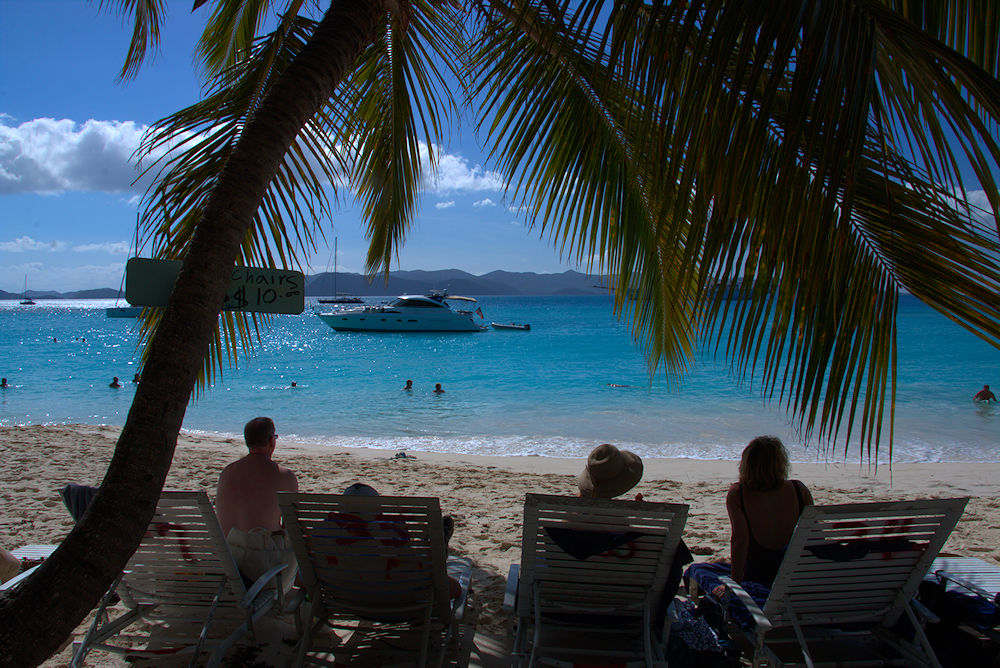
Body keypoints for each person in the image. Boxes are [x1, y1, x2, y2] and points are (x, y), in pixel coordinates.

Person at [685, 436, 813, 604]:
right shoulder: (799, 490)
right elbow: (814, 536)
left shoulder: (738, 494)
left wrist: (734, 584)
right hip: (793, 577)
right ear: (781, 463)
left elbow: (740, 540)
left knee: (697, 571)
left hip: (755, 577)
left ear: (746, 464)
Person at [215, 417, 299, 592]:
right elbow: (292, 523)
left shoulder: (227, 473)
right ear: (271, 441)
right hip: (263, 569)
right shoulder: (285, 476)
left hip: (229, 563)